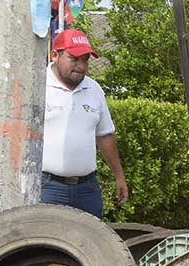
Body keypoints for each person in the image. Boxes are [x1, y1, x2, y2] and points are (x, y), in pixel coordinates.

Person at [41, 29, 127, 218]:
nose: (81, 65)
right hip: (48, 188)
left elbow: (105, 135)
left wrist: (119, 176)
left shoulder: (94, 88)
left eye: (85, 60)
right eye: (74, 58)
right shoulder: (39, 85)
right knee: (48, 244)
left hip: (87, 189)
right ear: (55, 55)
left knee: (90, 243)